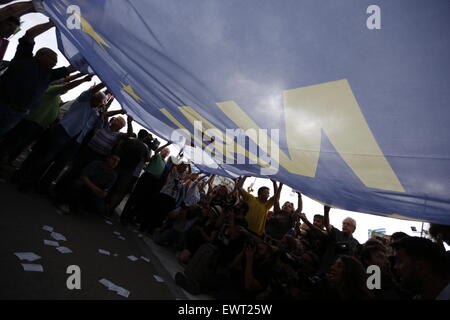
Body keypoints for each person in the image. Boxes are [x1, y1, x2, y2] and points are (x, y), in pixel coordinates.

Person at [16, 82, 106, 191]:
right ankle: (28, 181)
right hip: (62, 132)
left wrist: (102, 114)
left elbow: (99, 127)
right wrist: (106, 82)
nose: (99, 104)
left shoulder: (95, 113)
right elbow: (92, 91)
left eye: (101, 102)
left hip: (76, 141)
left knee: (59, 165)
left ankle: (43, 186)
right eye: (99, 101)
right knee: (45, 158)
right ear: (94, 97)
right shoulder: (83, 101)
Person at [0, 20, 76, 136]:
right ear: (41, 55)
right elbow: (30, 34)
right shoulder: (24, 57)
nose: (55, 63)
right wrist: (53, 22)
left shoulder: (50, 74)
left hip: (17, 114)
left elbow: (72, 68)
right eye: (53, 59)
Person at [0, 73, 93, 165]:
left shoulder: (57, 97)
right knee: (13, 143)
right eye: (64, 84)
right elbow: (67, 86)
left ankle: (8, 161)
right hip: (30, 123)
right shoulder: (51, 90)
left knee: (21, 145)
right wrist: (83, 80)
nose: (66, 87)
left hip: (38, 126)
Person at [120, 141, 171, 225]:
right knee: (135, 196)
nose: (166, 152)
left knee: (142, 200)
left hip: (153, 181)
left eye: (167, 152)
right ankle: (124, 216)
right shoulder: (157, 156)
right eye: (165, 150)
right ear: (162, 151)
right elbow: (157, 151)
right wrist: (167, 144)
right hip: (147, 177)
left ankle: (130, 218)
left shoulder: (164, 163)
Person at [317, 206, 360, 274]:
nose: (344, 225)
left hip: (342, 275)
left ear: (354, 229)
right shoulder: (336, 233)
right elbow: (327, 225)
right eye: (343, 223)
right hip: (326, 271)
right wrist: (326, 212)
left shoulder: (356, 243)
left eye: (348, 224)